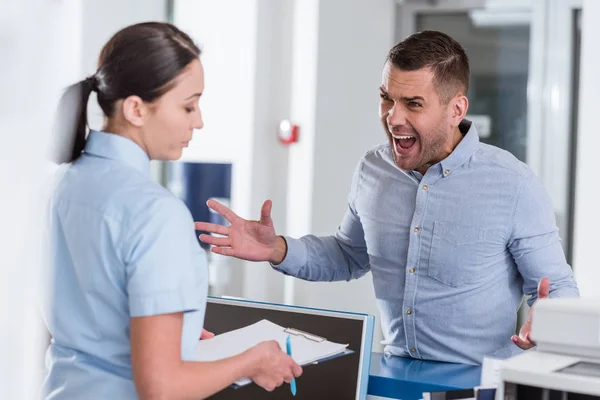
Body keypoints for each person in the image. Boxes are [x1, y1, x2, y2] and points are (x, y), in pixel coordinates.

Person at [196, 30, 580, 365]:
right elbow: (349, 255)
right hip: (393, 379)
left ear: (456, 109)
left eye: (413, 103)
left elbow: (556, 287)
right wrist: (277, 249)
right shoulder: (372, 170)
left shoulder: (514, 184)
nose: (393, 118)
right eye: (386, 98)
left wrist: (546, 318)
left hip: (478, 386)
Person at [42, 22, 301, 400]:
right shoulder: (154, 212)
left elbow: (62, 325)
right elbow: (161, 389)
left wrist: (171, 335)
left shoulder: (56, 187)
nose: (198, 120)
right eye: (188, 105)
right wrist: (252, 361)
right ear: (136, 109)